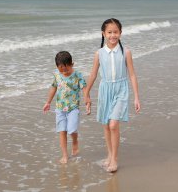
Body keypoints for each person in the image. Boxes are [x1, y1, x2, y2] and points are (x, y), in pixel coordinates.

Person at [85, 18, 141, 172]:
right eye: (109, 32)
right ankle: (109, 155)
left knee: (113, 125)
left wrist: (136, 97)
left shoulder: (126, 52)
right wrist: (86, 92)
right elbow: (93, 74)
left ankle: (114, 159)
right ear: (103, 33)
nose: (112, 35)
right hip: (105, 90)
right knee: (106, 126)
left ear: (120, 33)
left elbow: (133, 75)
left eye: (115, 32)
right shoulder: (99, 53)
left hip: (121, 90)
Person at [43, 51, 91, 164]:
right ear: (57, 67)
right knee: (62, 131)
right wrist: (48, 102)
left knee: (72, 129)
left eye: (66, 68)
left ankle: (75, 141)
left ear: (72, 64)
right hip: (60, 108)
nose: (64, 71)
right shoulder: (56, 75)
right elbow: (53, 88)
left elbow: (84, 88)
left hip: (73, 107)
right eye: (61, 69)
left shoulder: (77, 75)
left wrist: (87, 101)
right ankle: (65, 155)